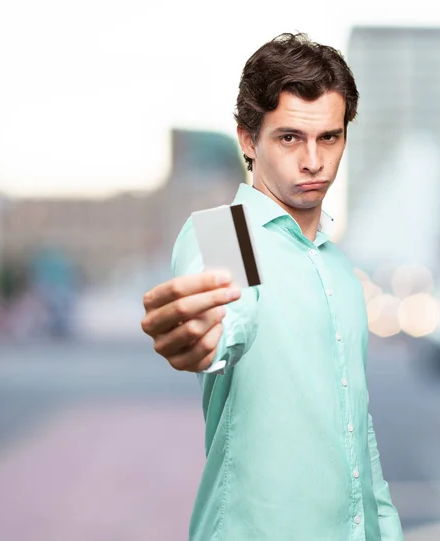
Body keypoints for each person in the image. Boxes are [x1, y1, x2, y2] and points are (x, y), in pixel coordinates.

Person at [141, 32, 404, 540]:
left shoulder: (341, 270)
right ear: (247, 139)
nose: (313, 160)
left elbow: (358, 435)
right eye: (289, 138)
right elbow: (231, 317)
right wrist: (203, 335)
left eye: (329, 137)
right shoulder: (225, 233)